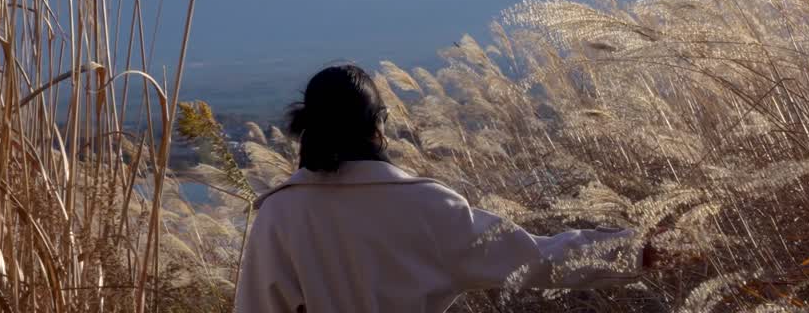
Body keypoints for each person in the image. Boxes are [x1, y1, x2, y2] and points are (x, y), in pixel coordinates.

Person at [234, 64, 652, 313]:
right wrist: (637, 249)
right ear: (379, 125)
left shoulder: (279, 214)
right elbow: (536, 259)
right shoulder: (427, 207)